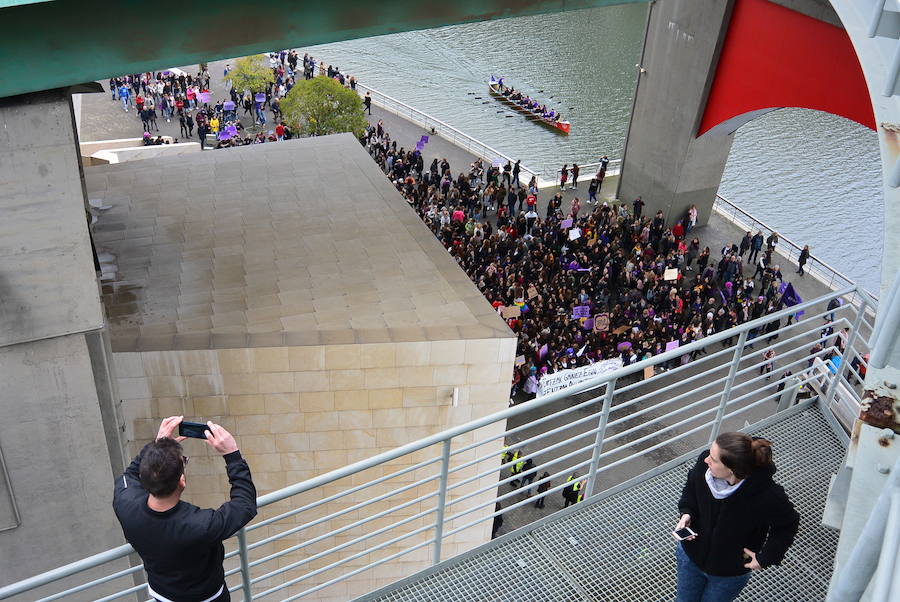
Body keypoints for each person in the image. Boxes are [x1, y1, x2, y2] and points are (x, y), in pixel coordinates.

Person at [113, 417, 257, 602]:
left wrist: (155, 450)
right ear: (181, 480)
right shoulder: (201, 525)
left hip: (163, 595)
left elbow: (129, 476)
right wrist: (232, 455)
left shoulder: (126, 505)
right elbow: (244, 505)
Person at [674, 432, 799, 602]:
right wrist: (687, 511)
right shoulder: (705, 466)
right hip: (691, 558)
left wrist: (766, 557)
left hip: (729, 574)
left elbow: (787, 525)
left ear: (732, 471)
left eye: (714, 459)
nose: (706, 459)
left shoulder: (767, 496)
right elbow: (691, 487)